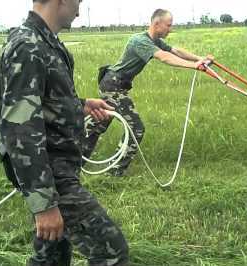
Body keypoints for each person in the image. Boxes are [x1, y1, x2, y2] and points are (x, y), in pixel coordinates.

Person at [0, 0, 129, 265]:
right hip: (50, 174)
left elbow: (38, 101)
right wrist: (44, 205)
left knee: (52, 256)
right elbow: (20, 130)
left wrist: (80, 105)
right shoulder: (28, 46)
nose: (79, 10)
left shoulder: (46, 43)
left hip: (57, 168)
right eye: (78, 2)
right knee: (112, 252)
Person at [82, 9, 212, 176]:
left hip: (116, 85)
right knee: (136, 129)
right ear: (156, 24)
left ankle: (75, 157)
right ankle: (114, 172)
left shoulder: (155, 40)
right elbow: (164, 57)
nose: (170, 29)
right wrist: (194, 66)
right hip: (112, 86)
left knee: (98, 123)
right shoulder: (140, 41)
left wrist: (199, 59)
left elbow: (175, 51)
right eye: (168, 25)